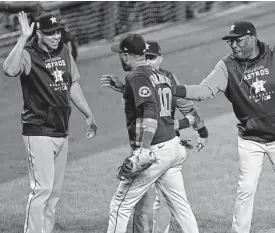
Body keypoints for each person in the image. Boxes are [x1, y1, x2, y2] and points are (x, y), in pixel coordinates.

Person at [173, 21, 275, 233]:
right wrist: (175, 89)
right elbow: (205, 90)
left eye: (238, 40)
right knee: (246, 189)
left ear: (252, 38)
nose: (233, 45)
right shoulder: (227, 66)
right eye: (230, 41)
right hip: (251, 139)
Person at [3, 11, 97, 233]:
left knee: (54, 193)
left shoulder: (64, 51)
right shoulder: (28, 54)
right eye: (50, 33)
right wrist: (23, 37)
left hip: (61, 130)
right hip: (38, 131)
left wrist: (88, 113)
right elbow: (8, 69)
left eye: (57, 32)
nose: (56, 36)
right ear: (39, 33)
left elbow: (71, 84)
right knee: (41, 190)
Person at [101, 40, 208, 233]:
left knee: (120, 205)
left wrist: (144, 148)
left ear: (126, 55)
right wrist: (123, 89)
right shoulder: (160, 75)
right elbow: (155, 101)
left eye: (120, 54)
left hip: (156, 149)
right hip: (173, 147)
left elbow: (150, 109)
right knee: (181, 207)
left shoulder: (136, 75)